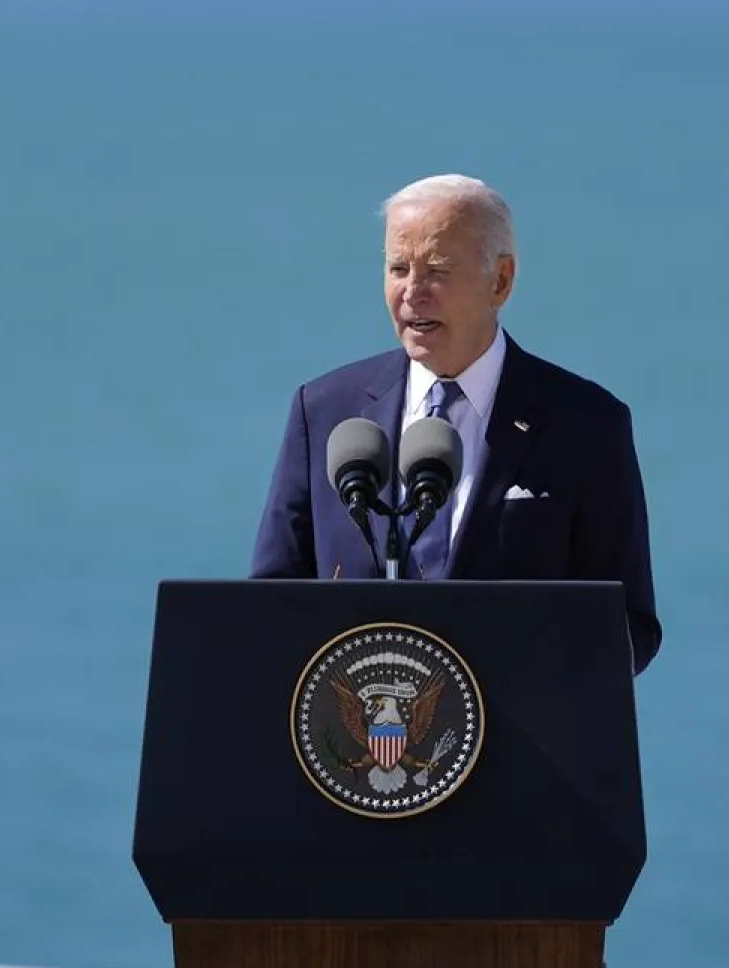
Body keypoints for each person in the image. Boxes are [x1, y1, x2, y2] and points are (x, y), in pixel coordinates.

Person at [249, 174, 662, 674]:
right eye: (398, 268)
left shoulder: (587, 425)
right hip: (359, 743)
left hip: (520, 744)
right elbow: (270, 604)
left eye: (438, 270)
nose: (412, 293)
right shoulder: (325, 412)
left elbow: (629, 625)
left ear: (501, 281)